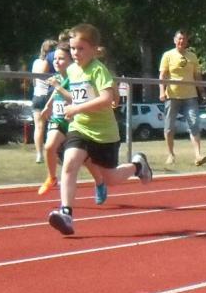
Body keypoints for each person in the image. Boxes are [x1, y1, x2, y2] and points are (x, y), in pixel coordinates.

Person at [47, 24, 153, 236]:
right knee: (69, 164)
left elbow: (106, 99)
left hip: (104, 134)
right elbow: (77, 97)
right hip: (80, 127)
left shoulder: (98, 70)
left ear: (94, 49)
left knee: (111, 179)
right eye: (73, 48)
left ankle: (138, 166)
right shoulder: (72, 70)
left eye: (81, 49)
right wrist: (66, 99)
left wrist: (76, 108)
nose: (75, 53)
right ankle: (66, 213)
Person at [36, 43, 107, 203]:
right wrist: (48, 106)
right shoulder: (58, 77)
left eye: (61, 59)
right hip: (59, 119)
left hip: (75, 122)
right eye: (55, 58)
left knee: (86, 160)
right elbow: (56, 92)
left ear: (71, 61)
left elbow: (73, 98)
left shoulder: (76, 76)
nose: (56, 62)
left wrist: (58, 87)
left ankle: (100, 182)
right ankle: (51, 177)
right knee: (49, 146)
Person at [159, 30, 206, 166]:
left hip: (190, 95)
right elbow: (162, 75)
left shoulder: (192, 56)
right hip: (172, 95)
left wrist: (202, 92)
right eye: (179, 38)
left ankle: (198, 155)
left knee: (194, 124)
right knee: (169, 127)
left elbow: (197, 76)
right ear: (175, 40)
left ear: (187, 41)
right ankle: (171, 154)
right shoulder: (168, 55)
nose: (181, 41)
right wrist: (162, 91)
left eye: (184, 39)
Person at [32, 39, 57, 163]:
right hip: (51, 96)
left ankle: (39, 155)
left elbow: (34, 81)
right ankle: (54, 153)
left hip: (37, 95)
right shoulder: (54, 63)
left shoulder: (36, 62)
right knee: (54, 126)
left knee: (38, 127)